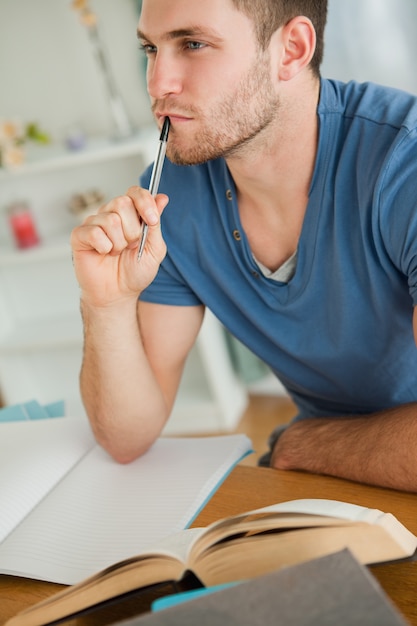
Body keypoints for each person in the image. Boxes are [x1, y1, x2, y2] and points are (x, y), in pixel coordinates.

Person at [70, 0, 417, 492]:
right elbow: (126, 437)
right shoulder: (170, 195)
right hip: (335, 475)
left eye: (193, 44)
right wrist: (105, 304)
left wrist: (303, 445)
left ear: (291, 50)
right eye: (151, 48)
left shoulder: (405, 164)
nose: (157, 84)